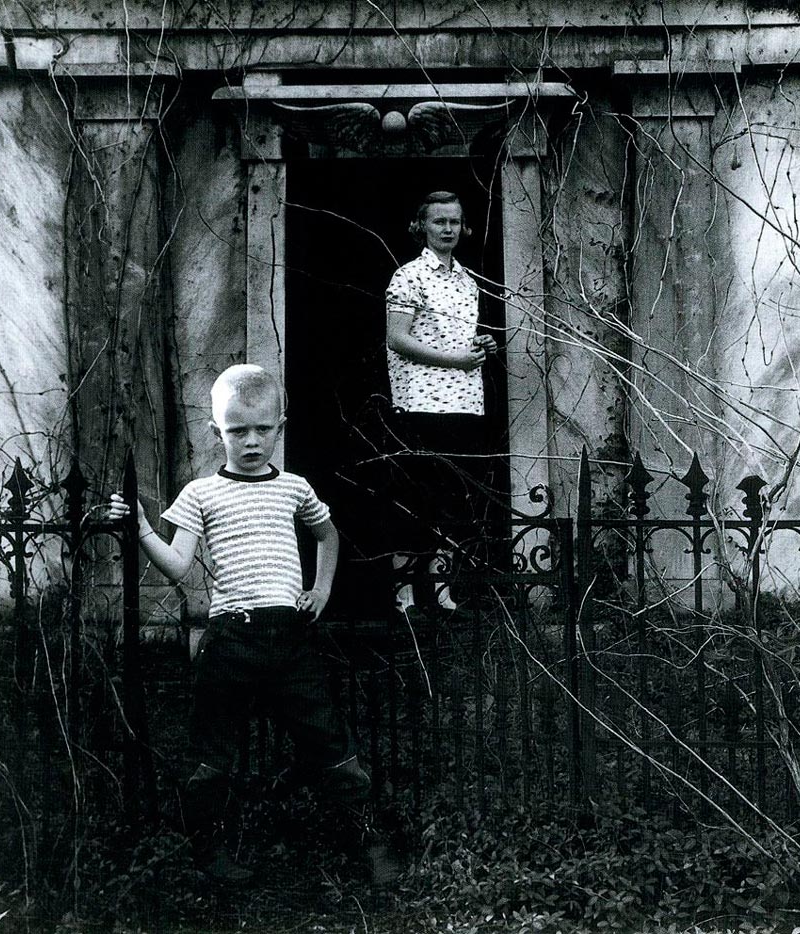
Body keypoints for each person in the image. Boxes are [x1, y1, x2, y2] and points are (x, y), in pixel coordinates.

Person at [109, 364, 380, 885]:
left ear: (281, 425)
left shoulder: (295, 488)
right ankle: (207, 850)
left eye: (262, 429)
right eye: (237, 431)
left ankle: (365, 838)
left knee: (328, 740)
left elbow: (328, 536)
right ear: (217, 432)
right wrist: (142, 527)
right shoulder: (200, 494)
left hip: (290, 638)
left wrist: (320, 589)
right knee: (211, 751)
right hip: (231, 636)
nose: (251, 442)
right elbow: (179, 565)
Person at [385, 190, 496, 613]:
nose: (448, 229)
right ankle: (404, 594)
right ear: (422, 227)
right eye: (439, 222)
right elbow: (397, 338)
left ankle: (441, 590)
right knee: (416, 498)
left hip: (465, 402)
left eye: (454, 222)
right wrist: (456, 359)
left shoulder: (467, 280)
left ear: (463, 227)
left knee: (455, 499)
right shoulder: (407, 276)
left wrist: (479, 345)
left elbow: (456, 340)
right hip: (421, 404)